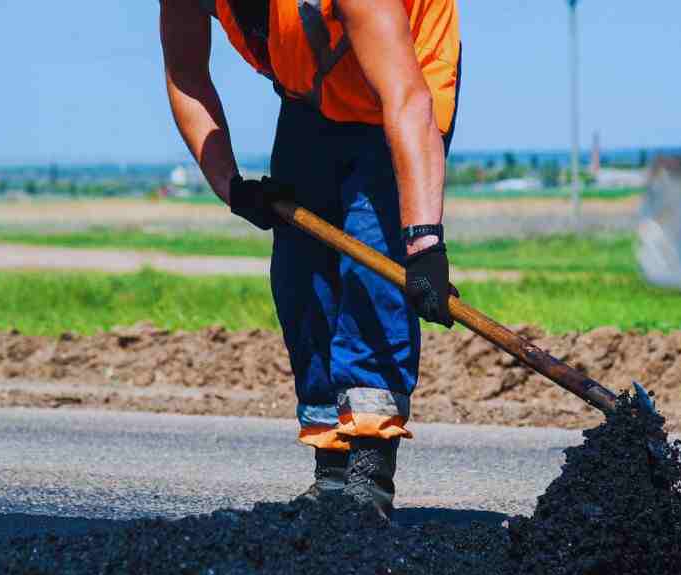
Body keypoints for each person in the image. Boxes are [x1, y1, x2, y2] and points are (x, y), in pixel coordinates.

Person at [160, 0, 461, 519]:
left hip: (403, 84)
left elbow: (407, 99)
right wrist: (231, 185)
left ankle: (370, 477)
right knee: (301, 277)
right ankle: (332, 474)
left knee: (373, 270)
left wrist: (424, 243)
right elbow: (187, 75)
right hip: (312, 98)